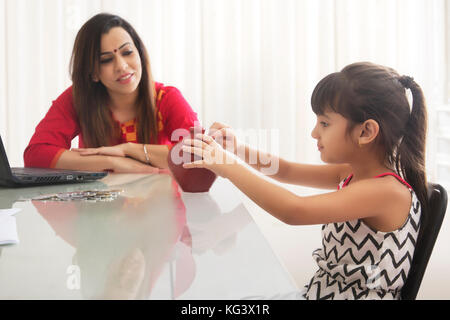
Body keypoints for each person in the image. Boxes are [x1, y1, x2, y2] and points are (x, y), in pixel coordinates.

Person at [182, 62, 428, 300]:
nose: (314, 133)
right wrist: (237, 148)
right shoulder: (353, 173)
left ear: (365, 132)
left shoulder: (386, 191)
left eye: (324, 123)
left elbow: (293, 211)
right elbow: (286, 171)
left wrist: (227, 165)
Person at [24, 13, 198, 173]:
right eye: (106, 60)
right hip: (98, 205)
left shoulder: (166, 98)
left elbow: (199, 154)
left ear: (140, 54)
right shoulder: (78, 98)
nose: (121, 66)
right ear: (92, 72)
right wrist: (110, 161)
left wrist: (129, 150)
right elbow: (36, 155)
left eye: (127, 52)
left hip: (160, 204)